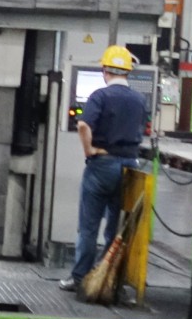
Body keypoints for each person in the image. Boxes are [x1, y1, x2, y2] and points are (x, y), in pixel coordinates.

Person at [60, 45, 152, 292]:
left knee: (88, 227)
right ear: (128, 72)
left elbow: (83, 125)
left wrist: (89, 150)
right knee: (116, 227)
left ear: (105, 71)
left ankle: (80, 278)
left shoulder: (100, 96)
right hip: (129, 167)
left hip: (102, 166)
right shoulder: (140, 100)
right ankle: (109, 279)